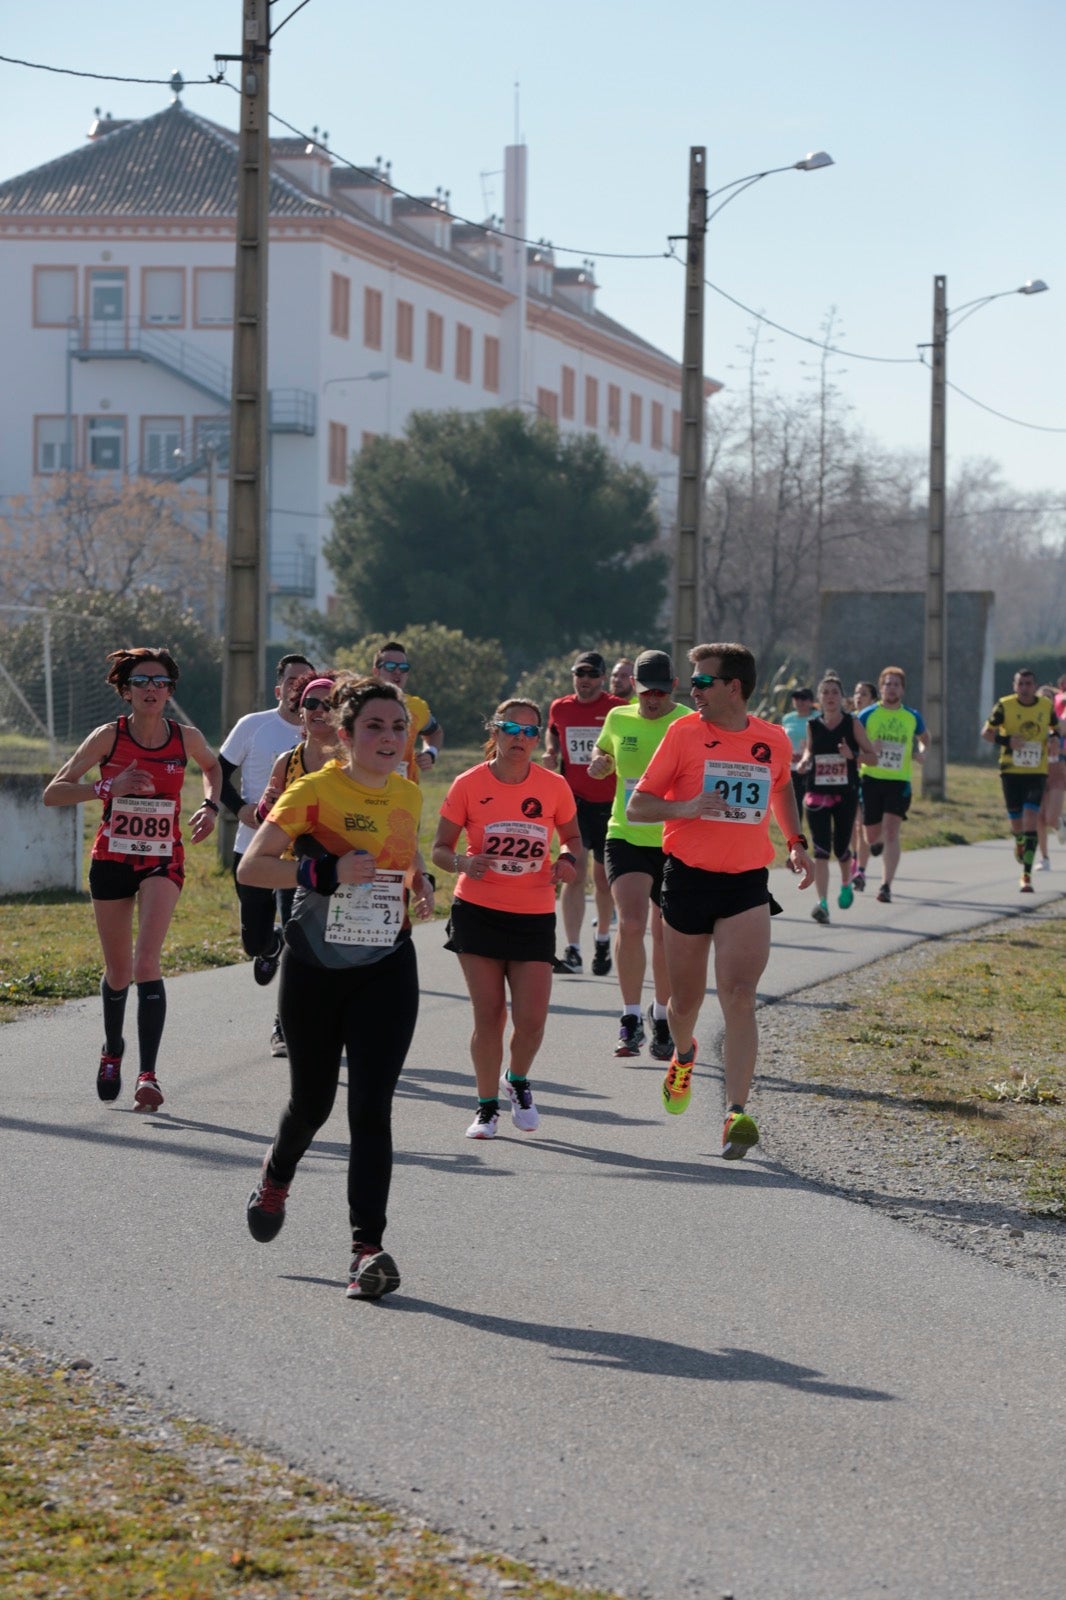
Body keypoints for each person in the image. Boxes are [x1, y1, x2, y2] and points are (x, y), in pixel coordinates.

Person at [239, 677, 435, 1301]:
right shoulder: (313, 790)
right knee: (313, 1103)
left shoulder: (407, 792)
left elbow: (397, 859)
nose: (388, 738)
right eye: (374, 727)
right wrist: (322, 868)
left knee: (371, 1109)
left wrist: (420, 881)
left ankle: (366, 1250)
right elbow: (252, 866)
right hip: (316, 966)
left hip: (387, 963)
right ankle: (276, 1173)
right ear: (345, 736)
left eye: (398, 728)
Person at [628, 642, 814, 1159]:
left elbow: (780, 791)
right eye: (693, 682)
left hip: (745, 884)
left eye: (703, 682)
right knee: (685, 1004)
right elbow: (639, 804)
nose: (694, 690)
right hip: (686, 878)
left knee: (738, 994)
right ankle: (684, 1053)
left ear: (734, 686)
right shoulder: (683, 733)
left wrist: (796, 844)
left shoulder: (772, 740)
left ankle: (736, 1112)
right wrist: (687, 806)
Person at [43, 647, 221, 1110]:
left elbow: (213, 767)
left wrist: (210, 805)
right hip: (112, 859)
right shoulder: (108, 737)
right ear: (125, 690)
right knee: (119, 971)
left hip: (163, 859)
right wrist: (108, 786)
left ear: (170, 691)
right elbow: (53, 792)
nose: (151, 690)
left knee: (147, 963)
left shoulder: (185, 738)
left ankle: (149, 1075)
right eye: (141, 682)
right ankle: (112, 1049)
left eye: (160, 682)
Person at [431, 699, 581, 1139]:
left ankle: (516, 1080)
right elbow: (440, 847)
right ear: (494, 731)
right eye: (511, 729)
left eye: (531, 732)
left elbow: (572, 838)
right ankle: (485, 1108)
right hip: (477, 911)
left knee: (532, 1019)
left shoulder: (553, 786)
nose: (521, 738)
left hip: (533, 914)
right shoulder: (467, 784)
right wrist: (462, 862)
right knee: (490, 1015)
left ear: (538, 739)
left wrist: (568, 861)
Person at [588, 649, 688, 1058]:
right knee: (630, 924)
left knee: (663, 932)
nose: (652, 700)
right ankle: (630, 1018)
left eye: (661, 693)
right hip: (626, 834)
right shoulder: (618, 717)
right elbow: (604, 752)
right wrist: (601, 763)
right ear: (634, 687)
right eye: (646, 692)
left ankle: (661, 1016)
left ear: (673, 689)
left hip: (674, 840)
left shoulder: (687, 722)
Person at [219, 653, 315, 1009]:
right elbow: (218, 771)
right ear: (279, 689)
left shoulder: (324, 733)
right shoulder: (253, 725)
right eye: (292, 681)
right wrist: (240, 809)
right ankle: (269, 946)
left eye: (307, 681)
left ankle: (286, 1022)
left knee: (298, 934)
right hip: (254, 846)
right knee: (254, 941)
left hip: (300, 850)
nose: (299, 687)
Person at [253, 672, 341, 1052]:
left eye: (329, 704)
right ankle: (284, 1025)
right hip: (294, 869)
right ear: (299, 711)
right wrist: (267, 805)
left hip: (344, 869)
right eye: (311, 704)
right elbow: (264, 817)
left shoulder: (352, 762)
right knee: (297, 946)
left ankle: (334, 1023)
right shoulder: (287, 762)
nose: (319, 711)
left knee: (336, 948)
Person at [543, 650, 626, 973]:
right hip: (573, 800)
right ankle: (573, 949)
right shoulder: (560, 707)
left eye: (592, 674)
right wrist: (551, 751)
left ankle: (603, 940)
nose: (586, 680)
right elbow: (553, 730)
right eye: (580, 674)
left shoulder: (617, 710)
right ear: (573, 676)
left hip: (609, 802)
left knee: (603, 880)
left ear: (603, 678)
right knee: (571, 873)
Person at [798, 674, 878, 924]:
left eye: (834, 692)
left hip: (845, 794)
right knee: (821, 849)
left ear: (841, 698)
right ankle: (822, 903)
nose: (830, 697)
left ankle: (845, 884)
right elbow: (810, 751)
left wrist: (851, 754)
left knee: (841, 847)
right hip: (817, 794)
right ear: (819, 698)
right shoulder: (813, 724)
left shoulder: (852, 723)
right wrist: (804, 762)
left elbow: (872, 757)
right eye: (826, 693)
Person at [982, 667, 1061, 893]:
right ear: (1015, 686)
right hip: (1010, 772)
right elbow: (986, 733)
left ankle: (1026, 875)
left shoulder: (1045, 706)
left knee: (1030, 818)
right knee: (1017, 823)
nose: (1025, 688)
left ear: (1035, 687)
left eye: (1029, 684)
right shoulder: (1004, 705)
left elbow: (1055, 730)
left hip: (1037, 772)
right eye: (1021, 684)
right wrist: (1007, 741)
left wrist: (1054, 740)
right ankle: (1018, 840)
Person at [855, 666, 928, 904]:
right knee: (871, 835)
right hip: (871, 779)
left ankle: (886, 886)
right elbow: (851, 742)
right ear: (881, 687)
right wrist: (868, 749)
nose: (891, 688)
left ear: (903, 689)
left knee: (891, 831)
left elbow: (925, 738)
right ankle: (876, 844)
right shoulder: (866, 714)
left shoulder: (912, 716)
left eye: (896, 684)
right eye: (887, 684)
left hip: (899, 781)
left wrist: (921, 752)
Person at [373, 641, 444, 780]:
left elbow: (435, 732)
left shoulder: (416, 707)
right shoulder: (359, 704)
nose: (397, 672)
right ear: (376, 671)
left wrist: (430, 753)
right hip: (365, 789)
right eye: (390, 666)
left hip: (405, 793)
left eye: (403, 667)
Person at [848, 681, 879, 887]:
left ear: (873, 699)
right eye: (857, 692)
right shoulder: (847, 719)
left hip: (872, 776)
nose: (859, 696)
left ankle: (860, 869)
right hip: (850, 775)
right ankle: (854, 858)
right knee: (851, 825)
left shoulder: (875, 718)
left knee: (862, 825)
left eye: (864, 694)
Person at [1035, 684, 1064, 871]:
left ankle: (1061, 823)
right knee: (1038, 818)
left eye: (1049, 698)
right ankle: (1044, 858)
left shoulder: (1061, 722)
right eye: (1041, 697)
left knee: (1051, 818)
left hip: (1057, 775)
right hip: (1037, 774)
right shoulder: (1033, 721)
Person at [781, 687, 816, 814]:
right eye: (796, 698)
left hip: (813, 765)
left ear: (811, 701)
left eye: (803, 698)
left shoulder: (817, 717)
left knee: (813, 799)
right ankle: (797, 831)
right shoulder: (787, 718)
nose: (799, 701)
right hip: (792, 765)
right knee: (795, 800)